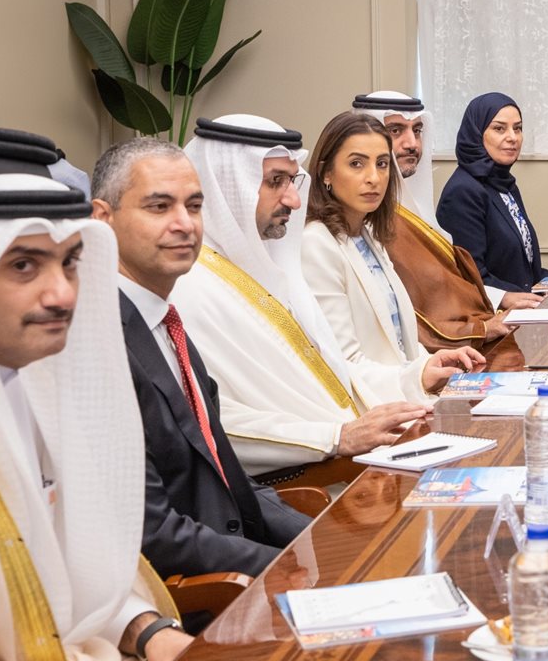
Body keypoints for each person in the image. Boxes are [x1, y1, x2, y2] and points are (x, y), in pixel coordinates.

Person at [0, 152, 191, 661]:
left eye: (69, 263)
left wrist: (152, 633)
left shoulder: (36, 381)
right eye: (23, 266)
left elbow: (75, 575)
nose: (62, 295)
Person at [90, 137, 313, 584]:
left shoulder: (164, 322)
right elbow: (153, 534)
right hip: (196, 597)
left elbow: (228, 476)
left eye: (193, 206)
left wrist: (322, 540)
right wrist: (287, 567)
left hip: (234, 564)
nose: (184, 224)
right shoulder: (99, 340)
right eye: (159, 207)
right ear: (102, 219)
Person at [171, 114, 431, 476]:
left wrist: (417, 379)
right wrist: (335, 437)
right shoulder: (190, 290)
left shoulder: (273, 269)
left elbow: (334, 375)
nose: (295, 200)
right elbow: (206, 419)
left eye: (292, 181)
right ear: (227, 183)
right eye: (275, 181)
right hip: (298, 481)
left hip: (349, 454)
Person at [302, 112, 485, 392]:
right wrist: (416, 378)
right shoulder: (316, 244)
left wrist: (431, 362)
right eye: (356, 164)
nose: (374, 178)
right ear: (326, 173)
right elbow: (342, 364)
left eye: (382, 164)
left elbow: (398, 343)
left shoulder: (368, 235)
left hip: (402, 394)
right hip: (373, 404)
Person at [352, 91, 524, 349]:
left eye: (417, 130)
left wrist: (499, 306)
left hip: (459, 340)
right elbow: (407, 309)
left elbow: (449, 285)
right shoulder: (365, 220)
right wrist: (481, 328)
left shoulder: (413, 210)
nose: (412, 144)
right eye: (396, 131)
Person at [439, 93, 548, 292]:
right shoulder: (463, 191)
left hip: (523, 303)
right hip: (492, 309)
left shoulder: (504, 184)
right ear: (477, 133)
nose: (512, 137)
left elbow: (525, 270)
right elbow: (470, 276)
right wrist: (517, 297)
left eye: (517, 128)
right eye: (499, 128)